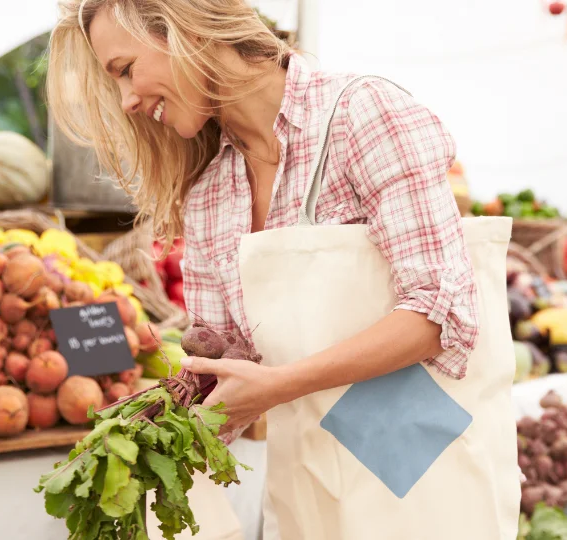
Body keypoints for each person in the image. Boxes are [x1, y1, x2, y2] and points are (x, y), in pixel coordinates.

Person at [47, 1, 519, 539]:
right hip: (313, 479)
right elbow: (230, 364)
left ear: (182, 28)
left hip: (423, 464)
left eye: (126, 70)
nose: (128, 100)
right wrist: (155, 425)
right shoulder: (210, 195)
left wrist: (277, 386)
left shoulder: (362, 116)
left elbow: (440, 315)